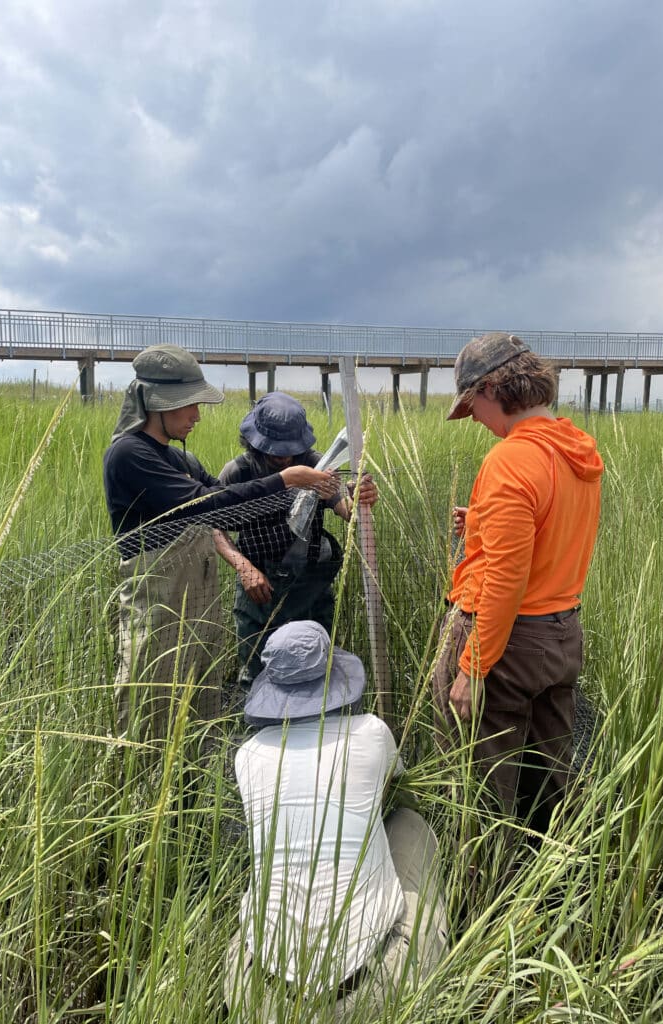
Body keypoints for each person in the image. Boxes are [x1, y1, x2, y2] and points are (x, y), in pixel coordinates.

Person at [103, 346, 339, 743]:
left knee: (197, 687)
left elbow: (228, 511)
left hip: (194, 595)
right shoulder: (130, 454)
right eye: (188, 405)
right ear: (157, 405)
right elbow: (208, 504)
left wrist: (312, 488)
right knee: (152, 690)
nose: (196, 415)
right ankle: (145, 773)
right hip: (158, 596)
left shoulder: (178, 459)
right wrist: (285, 481)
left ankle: (192, 773)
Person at [224, 620, 447, 1021]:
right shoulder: (372, 733)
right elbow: (400, 793)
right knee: (411, 823)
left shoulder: (247, 756)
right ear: (333, 673)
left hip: (262, 997)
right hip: (373, 990)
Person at [432, 332, 604, 833]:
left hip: (506, 644)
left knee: (480, 785)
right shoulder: (577, 451)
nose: (478, 423)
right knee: (549, 778)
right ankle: (553, 886)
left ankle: (484, 894)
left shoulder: (511, 459)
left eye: (473, 408)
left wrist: (472, 668)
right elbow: (550, 530)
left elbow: (506, 579)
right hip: (561, 635)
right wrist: (484, 518)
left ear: (491, 390)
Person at [218, 391, 378, 685]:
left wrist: (361, 500)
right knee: (256, 674)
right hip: (259, 587)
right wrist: (244, 568)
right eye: (275, 450)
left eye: (290, 449)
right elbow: (215, 529)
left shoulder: (317, 466)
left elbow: (345, 509)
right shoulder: (238, 472)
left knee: (316, 672)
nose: (284, 456)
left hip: (310, 584)